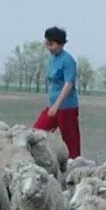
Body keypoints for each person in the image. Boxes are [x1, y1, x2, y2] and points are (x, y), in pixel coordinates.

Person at [32, 25, 80, 159]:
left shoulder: (68, 60)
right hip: (52, 106)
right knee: (36, 133)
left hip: (66, 107)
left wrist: (56, 105)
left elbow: (68, 84)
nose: (49, 47)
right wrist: (51, 105)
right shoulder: (52, 58)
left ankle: (74, 170)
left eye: (51, 44)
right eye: (47, 44)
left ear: (61, 44)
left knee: (71, 143)